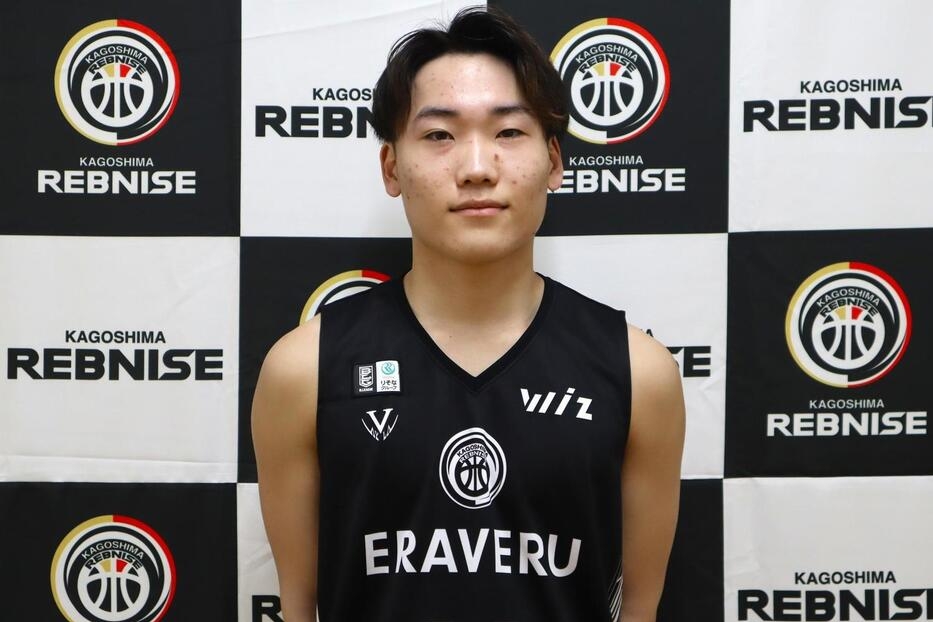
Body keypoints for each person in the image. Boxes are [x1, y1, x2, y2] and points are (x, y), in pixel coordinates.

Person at [252, 7, 685, 621]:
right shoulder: (303, 370)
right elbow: (298, 608)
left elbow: (640, 608)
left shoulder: (639, 373)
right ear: (391, 167)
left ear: (555, 162)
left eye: (508, 132)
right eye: (439, 135)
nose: (477, 168)